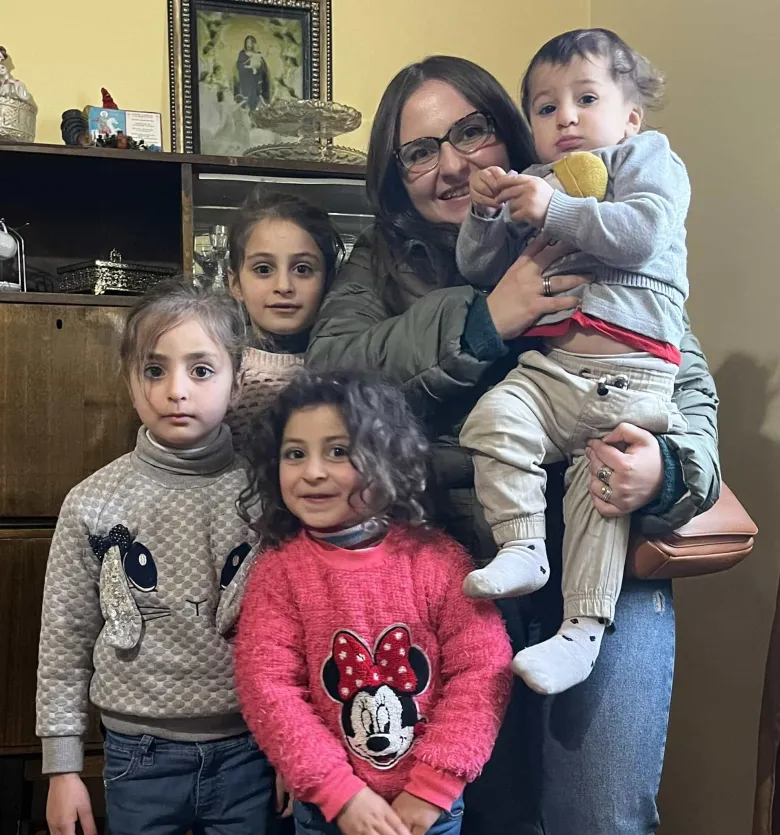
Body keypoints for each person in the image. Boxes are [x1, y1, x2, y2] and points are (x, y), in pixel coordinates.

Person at [307, 54, 720, 834]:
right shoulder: (380, 263)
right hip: (454, 578)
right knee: (485, 812)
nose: (452, 165)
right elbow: (331, 383)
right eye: (420, 151)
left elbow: (683, 382)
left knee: (600, 814)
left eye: (471, 132)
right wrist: (485, 317)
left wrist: (666, 472)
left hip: (607, 565)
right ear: (395, 177)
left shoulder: (602, 213)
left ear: (512, 129)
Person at [455, 28, 690, 696]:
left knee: (598, 499)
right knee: (495, 416)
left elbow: (643, 233)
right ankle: (522, 546)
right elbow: (480, 268)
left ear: (630, 117)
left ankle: (581, 633)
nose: (566, 118)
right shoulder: (534, 182)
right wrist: (485, 213)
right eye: (545, 106)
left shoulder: (648, 158)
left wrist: (555, 209)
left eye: (586, 98)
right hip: (554, 372)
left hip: (632, 373)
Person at [36, 280, 273, 835]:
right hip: (136, 753)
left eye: (201, 370)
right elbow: (64, 640)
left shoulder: (269, 497)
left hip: (253, 748)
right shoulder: (93, 501)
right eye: (154, 370)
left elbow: (296, 632)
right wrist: (63, 767)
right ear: (130, 382)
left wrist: (293, 755)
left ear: (237, 383)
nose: (176, 391)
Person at [234, 370, 513, 835]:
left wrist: (434, 785)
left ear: (388, 458)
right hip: (327, 811)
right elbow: (268, 689)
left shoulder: (439, 560)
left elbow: (484, 670)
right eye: (295, 453)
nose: (313, 471)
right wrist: (336, 791)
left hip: (430, 811)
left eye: (338, 451)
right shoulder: (279, 573)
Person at [226, 189, 344, 457]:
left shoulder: (347, 370)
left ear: (328, 280)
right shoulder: (218, 374)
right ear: (235, 284)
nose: (284, 286)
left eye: (302, 269)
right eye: (263, 269)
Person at [236, 35, 270, 111]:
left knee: (257, 97)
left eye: (251, 43)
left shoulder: (258, 53)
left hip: (256, 79)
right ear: (245, 43)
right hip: (246, 80)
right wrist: (249, 68)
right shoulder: (242, 53)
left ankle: (256, 111)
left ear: (254, 44)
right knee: (247, 98)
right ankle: (248, 111)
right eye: (247, 42)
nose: (249, 44)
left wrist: (258, 68)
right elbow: (240, 66)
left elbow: (263, 67)